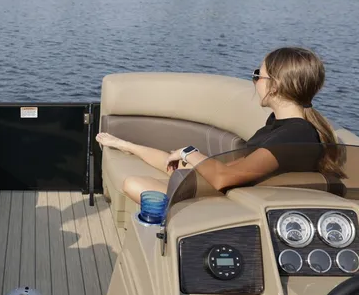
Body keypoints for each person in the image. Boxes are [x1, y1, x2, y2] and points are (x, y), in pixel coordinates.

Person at [96, 46, 345, 203]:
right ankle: (123, 144)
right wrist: (191, 160)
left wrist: (191, 153)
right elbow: (238, 168)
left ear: (275, 86)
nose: (254, 81)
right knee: (175, 164)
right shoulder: (283, 126)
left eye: (257, 75)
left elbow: (225, 178)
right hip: (235, 191)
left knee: (135, 183)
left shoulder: (294, 136)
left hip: (232, 203)